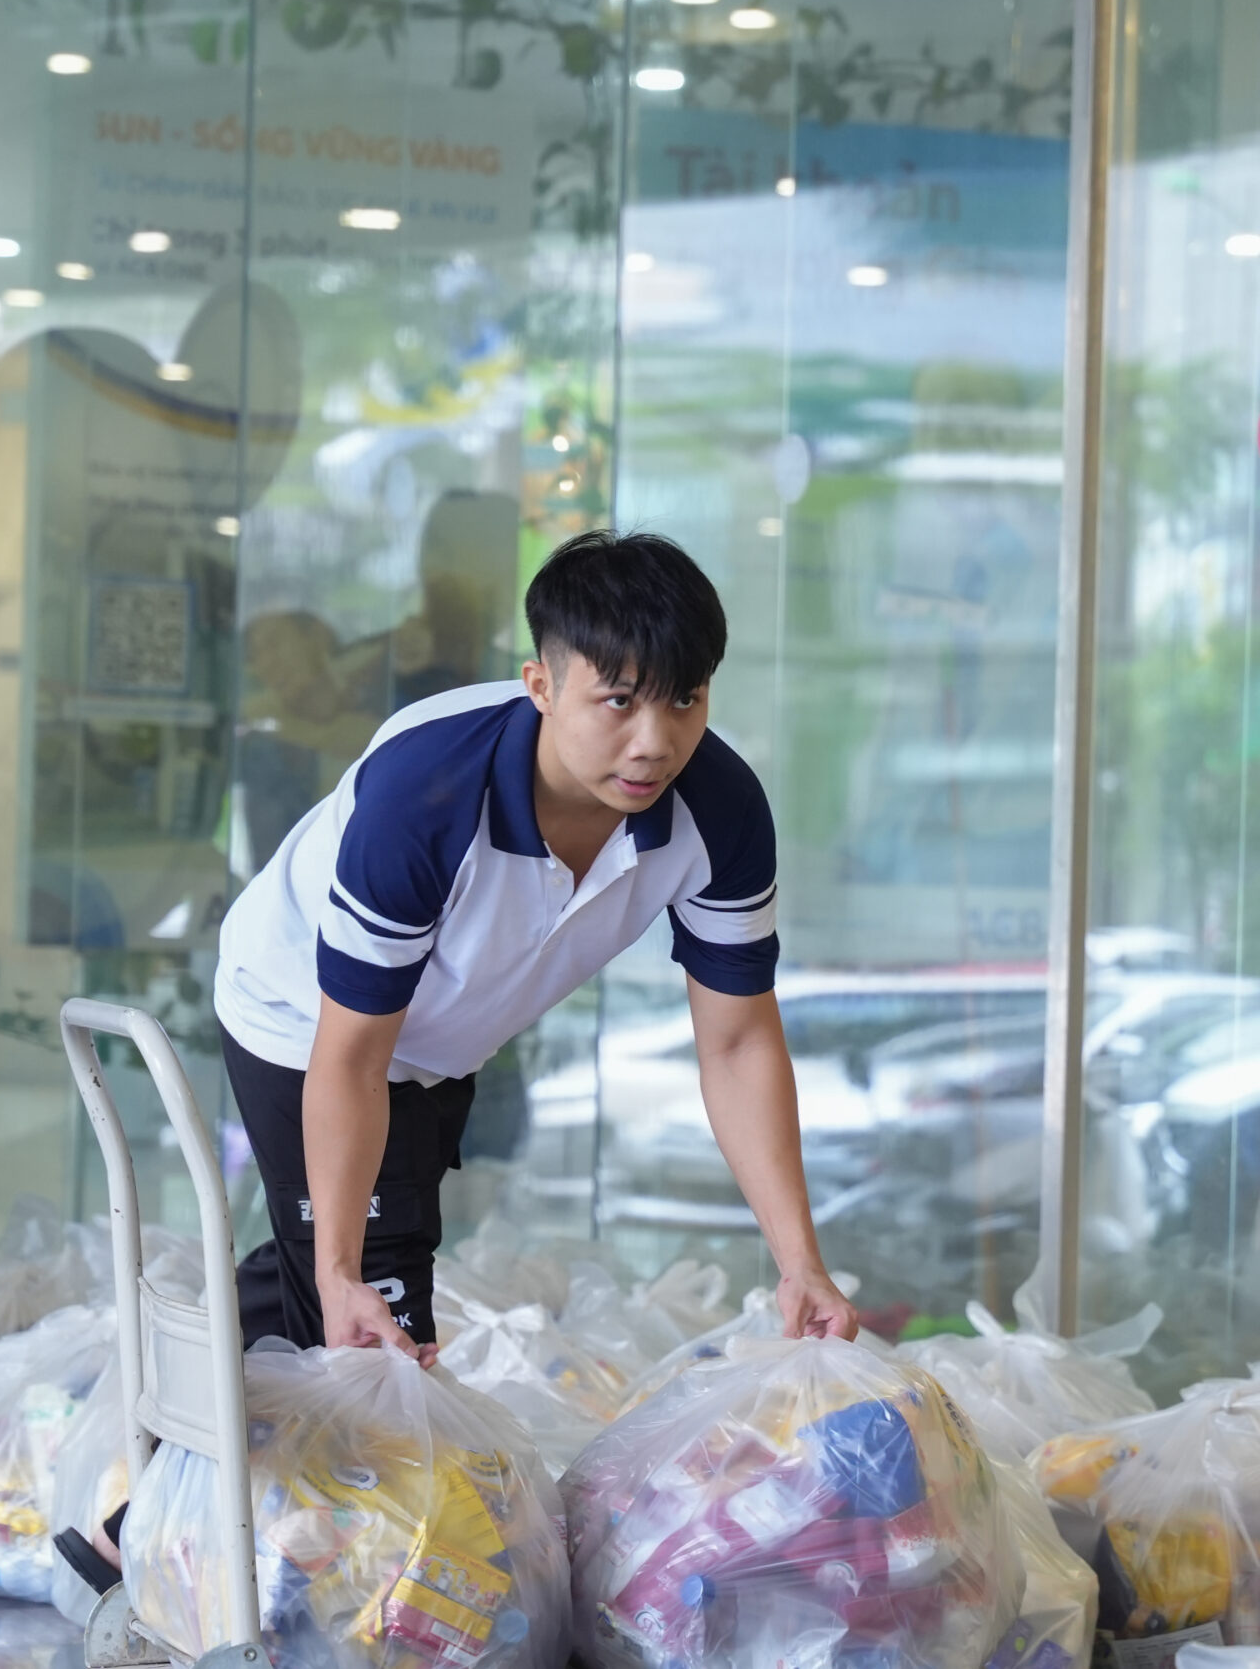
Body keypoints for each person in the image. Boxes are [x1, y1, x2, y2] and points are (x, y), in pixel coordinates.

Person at [215, 530, 858, 1356]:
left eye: (685, 699)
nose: (655, 741)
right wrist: (340, 1273)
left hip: (437, 1046)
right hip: (302, 1020)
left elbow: (737, 1044)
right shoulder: (429, 792)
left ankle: (168, 1412)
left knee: (329, 1275)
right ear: (541, 686)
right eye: (619, 701)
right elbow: (351, 1055)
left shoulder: (721, 810)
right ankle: (233, 1401)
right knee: (374, 1337)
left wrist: (801, 1263)